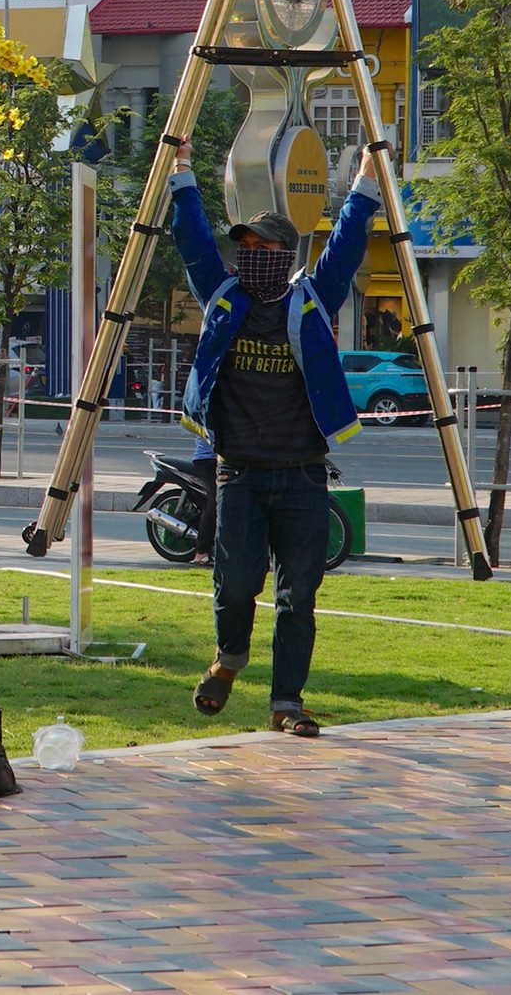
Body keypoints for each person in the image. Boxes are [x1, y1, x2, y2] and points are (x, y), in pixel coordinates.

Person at [168, 143, 384, 738]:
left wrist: (366, 178)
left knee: (298, 596)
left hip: (302, 475)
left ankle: (287, 703)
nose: (252, 257)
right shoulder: (221, 297)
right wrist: (182, 169)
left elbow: (346, 243)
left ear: (285, 257)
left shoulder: (311, 299)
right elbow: (191, 240)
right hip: (238, 474)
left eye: (264, 250)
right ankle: (229, 659)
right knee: (235, 586)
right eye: (246, 248)